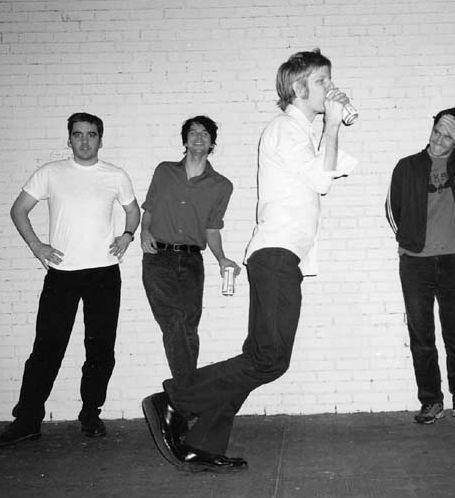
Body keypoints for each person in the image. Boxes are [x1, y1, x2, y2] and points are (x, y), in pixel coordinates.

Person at [141, 49, 356, 473]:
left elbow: (322, 171)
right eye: (322, 81)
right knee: (269, 358)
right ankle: (174, 399)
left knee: (259, 356)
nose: (330, 88)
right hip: (275, 256)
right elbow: (322, 180)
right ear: (298, 88)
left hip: (281, 256)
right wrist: (332, 124)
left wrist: (331, 126)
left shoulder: (299, 133)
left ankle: (202, 442)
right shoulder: (284, 128)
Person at [0, 112, 140, 447]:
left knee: (100, 348)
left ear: (100, 140)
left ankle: (90, 414)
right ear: (69, 139)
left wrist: (127, 235)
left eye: (91, 134)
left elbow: (133, 211)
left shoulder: (115, 175)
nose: (85, 140)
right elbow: (18, 210)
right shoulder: (51, 173)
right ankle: (28, 420)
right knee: (47, 348)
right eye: (78, 134)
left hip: (104, 274)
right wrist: (37, 246)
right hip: (62, 275)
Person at [385, 108, 455, 424]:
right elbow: (392, 208)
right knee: (421, 336)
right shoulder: (407, 166)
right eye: (436, 132)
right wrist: (409, 241)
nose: (438, 140)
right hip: (415, 263)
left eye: (448, 136)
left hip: (453, 260)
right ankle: (431, 401)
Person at [141, 115, 240, 391]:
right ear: (185, 141)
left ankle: (186, 395)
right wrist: (144, 231)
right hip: (158, 257)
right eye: (193, 132)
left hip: (192, 260)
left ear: (212, 144)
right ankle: (188, 392)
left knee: (188, 326)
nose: (198, 137)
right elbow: (149, 210)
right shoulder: (164, 171)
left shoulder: (222, 185)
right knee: (173, 321)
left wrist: (221, 258)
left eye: (205, 133)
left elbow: (212, 228)